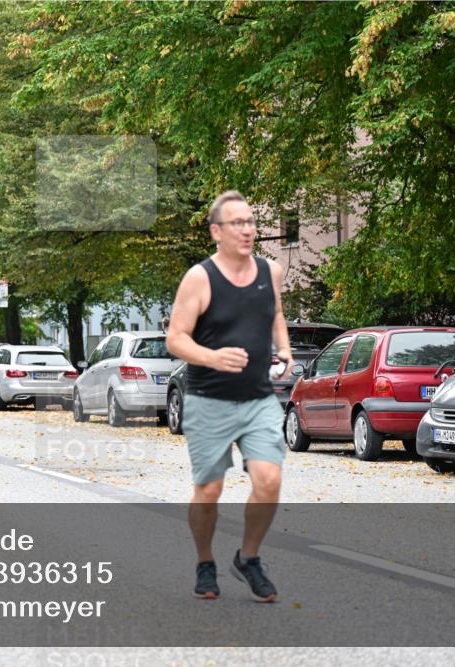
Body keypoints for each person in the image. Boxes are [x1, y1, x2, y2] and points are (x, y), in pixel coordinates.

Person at [167, 190, 293, 603]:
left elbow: (274, 313)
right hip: (209, 399)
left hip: (258, 398)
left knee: (269, 480)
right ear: (216, 231)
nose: (248, 230)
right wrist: (212, 357)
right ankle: (205, 561)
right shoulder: (200, 278)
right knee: (209, 490)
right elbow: (175, 339)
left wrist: (285, 348)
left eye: (251, 222)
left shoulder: (269, 271)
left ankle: (249, 557)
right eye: (237, 223)